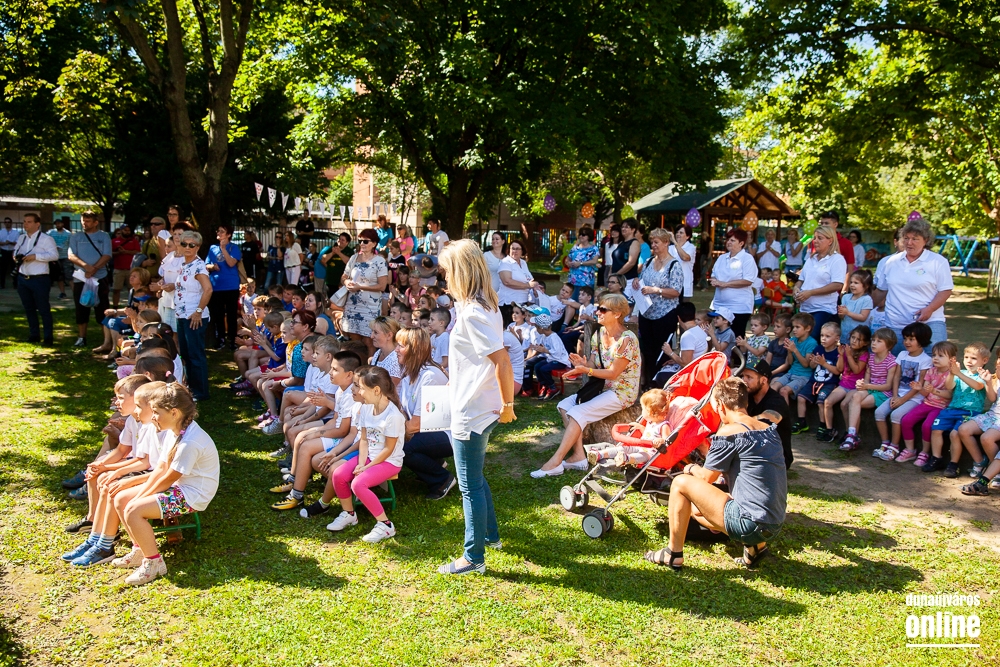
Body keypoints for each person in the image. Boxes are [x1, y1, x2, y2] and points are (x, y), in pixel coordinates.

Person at [644, 377, 787, 570]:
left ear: (720, 405)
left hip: (750, 523)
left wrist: (689, 468)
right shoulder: (768, 429)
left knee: (680, 483)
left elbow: (706, 477)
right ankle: (756, 547)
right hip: (775, 522)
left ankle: (673, 554)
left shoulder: (729, 432)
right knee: (697, 510)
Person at [436, 239, 516, 575]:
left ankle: (473, 558)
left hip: (473, 408)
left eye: (447, 271)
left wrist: (508, 404)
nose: (444, 278)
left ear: (460, 271)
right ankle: (491, 536)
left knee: (469, 485)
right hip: (475, 402)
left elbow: (502, 361)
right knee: (475, 477)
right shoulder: (484, 305)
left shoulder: (473, 313)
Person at [118, 383, 220, 585]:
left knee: (133, 510)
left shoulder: (190, 442)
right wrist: (139, 495)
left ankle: (153, 563)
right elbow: (161, 469)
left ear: (174, 412)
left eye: (156, 412)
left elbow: (168, 478)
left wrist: (139, 499)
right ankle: (140, 549)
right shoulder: (174, 432)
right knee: (122, 499)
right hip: (179, 487)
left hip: (193, 495)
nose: (153, 417)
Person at [532, 293, 641, 477]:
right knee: (564, 406)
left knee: (577, 412)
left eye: (603, 309)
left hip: (622, 392)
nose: (597, 312)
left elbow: (613, 373)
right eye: (598, 308)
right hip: (602, 388)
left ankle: (555, 462)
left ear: (617, 314)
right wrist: (582, 364)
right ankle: (578, 456)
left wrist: (586, 370)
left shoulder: (627, 340)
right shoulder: (599, 334)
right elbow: (593, 364)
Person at [872, 216, 952, 355]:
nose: (909, 243)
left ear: (926, 240)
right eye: (906, 238)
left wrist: (930, 309)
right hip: (896, 324)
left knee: (935, 361)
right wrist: (863, 308)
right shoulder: (890, 262)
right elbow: (880, 291)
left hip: (930, 323)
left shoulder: (938, 262)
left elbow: (945, 290)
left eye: (915, 239)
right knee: (897, 365)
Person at [397, 327, 455, 499]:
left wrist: (394, 433)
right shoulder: (410, 374)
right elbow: (403, 412)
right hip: (428, 430)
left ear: (413, 348)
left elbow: (415, 425)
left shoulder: (430, 376)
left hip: (447, 434)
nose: (396, 350)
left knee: (403, 448)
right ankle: (434, 464)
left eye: (400, 346)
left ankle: (442, 479)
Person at [923, 343, 990, 476]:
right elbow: (949, 386)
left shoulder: (983, 375)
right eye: (966, 357)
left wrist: (958, 373)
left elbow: (977, 386)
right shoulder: (961, 373)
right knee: (936, 429)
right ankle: (936, 458)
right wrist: (952, 373)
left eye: (973, 358)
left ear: (984, 360)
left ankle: (953, 464)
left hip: (970, 412)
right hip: (951, 409)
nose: (969, 361)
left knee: (955, 434)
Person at [873, 322, 931, 462]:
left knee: (896, 415)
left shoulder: (926, 360)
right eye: (905, 339)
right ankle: (885, 443)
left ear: (922, 340)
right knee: (879, 412)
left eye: (911, 339)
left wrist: (902, 400)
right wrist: (894, 396)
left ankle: (894, 447)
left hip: (914, 398)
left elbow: (919, 385)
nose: (906, 342)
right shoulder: (902, 354)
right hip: (898, 394)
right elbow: (897, 377)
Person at [635, 227, 684, 389]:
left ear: (666, 242)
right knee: (646, 349)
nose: (653, 245)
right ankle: (647, 382)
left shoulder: (674, 265)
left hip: (665, 314)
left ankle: (660, 384)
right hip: (647, 313)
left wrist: (656, 290)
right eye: (652, 242)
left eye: (656, 242)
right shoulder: (649, 261)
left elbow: (676, 291)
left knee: (661, 351)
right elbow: (643, 281)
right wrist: (637, 282)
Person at [896, 340, 955, 465]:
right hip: (927, 403)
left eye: (940, 356)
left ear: (952, 359)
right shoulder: (931, 371)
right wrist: (919, 389)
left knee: (927, 426)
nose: (935, 358)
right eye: (934, 355)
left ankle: (925, 452)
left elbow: (950, 395)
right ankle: (910, 450)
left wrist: (934, 390)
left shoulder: (952, 374)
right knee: (906, 420)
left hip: (941, 407)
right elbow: (926, 393)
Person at [173, 231, 214, 401]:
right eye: (184, 244)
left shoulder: (198, 266)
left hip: (194, 316)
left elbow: (208, 289)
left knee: (195, 354)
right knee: (186, 353)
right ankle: (191, 387)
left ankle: (200, 392)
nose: (187, 247)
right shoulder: (184, 264)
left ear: (198, 247)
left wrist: (198, 311)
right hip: (182, 315)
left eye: (192, 245)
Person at [842, 328, 898, 452]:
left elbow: (888, 386)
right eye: (873, 340)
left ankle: (852, 436)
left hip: (882, 393)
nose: (874, 343)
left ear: (888, 345)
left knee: (854, 403)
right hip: (870, 389)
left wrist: (867, 386)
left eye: (879, 341)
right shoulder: (871, 358)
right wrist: (862, 384)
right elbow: (867, 379)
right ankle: (852, 434)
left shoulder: (892, 361)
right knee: (855, 397)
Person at [587, 388, 670, 467]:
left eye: (643, 409)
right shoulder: (650, 422)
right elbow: (649, 434)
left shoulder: (664, 426)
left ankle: (626, 458)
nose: (642, 411)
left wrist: (660, 440)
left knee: (642, 456)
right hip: (640, 447)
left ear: (650, 413)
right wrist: (640, 427)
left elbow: (667, 441)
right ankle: (599, 454)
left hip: (650, 453)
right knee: (622, 448)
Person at [341, 229, 389, 357]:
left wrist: (360, 287)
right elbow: (344, 276)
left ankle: (369, 365)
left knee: (369, 340)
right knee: (355, 340)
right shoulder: (353, 258)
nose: (362, 243)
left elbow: (382, 286)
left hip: (370, 307)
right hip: (352, 304)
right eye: (360, 241)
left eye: (365, 241)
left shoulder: (379, 261)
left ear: (374, 243)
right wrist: (346, 282)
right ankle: (356, 364)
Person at [793, 225, 847, 341]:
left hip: (823, 309)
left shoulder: (837, 259)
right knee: (801, 340)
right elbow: (801, 280)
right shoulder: (810, 259)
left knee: (812, 340)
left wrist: (811, 292)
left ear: (830, 241)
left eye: (820, 238)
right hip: (805, 308)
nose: (815, 241)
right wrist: (796, 288)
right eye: (815, 238)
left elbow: (837, 285)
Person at [68, 211, 113, 347]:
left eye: (87, 221)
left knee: (102, 308)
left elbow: (107, 255)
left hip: (100, 277)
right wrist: (86, 267)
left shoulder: (104, 236)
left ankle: (106, 340)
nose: (84, 223)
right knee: (81, 307)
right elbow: (71, 255)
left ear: (95, 222)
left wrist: (94, 269)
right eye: (83, 221)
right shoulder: (75, 236)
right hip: (81, 278)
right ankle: (81, 337)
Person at [14, 213, 58, 344]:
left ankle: (48, 337)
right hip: (23, 277)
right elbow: (15, 252)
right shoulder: (21, 238)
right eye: (24, 221)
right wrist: (16, 257)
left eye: (29, 222)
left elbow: (54, 255)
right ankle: (34, 334)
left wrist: (35, 256)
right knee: (28, 308)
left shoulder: (46, 239)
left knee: (43, 308)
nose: (25, 224)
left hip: (39, 278)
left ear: (37, 224)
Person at [793, 321, 842, 440]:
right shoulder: (818, 349)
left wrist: (823, 363)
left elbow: (837, 371)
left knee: (821, 402)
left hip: (829, 383)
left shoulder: (838, 353)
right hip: (814, 381)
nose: (823, 338)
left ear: (837, 338)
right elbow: (811, 366)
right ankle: (801, 422)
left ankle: (822, 425)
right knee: (800, 397)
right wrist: (814, 362)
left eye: (827, 336)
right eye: (822, 335)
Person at [743, 360, 793, 468]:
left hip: (777, 457)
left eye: (749, 377)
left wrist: (737, 422)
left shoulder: (777, 401)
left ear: (763, 380)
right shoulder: (747, 397)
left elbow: (766, 422)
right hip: (755, 450)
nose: (744, 381)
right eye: (743, 376)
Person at [708, 228, 758, 338]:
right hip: (720, 304)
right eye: (728, 240)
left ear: (741, 243)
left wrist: (725, 284)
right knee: (720, 337)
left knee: (736, 337)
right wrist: (714, 281)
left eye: (732, 240)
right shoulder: (721, 258)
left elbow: (748, 280)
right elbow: (713, 275)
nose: (729, 242)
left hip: (739, 306)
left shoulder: (747, 259)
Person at [206, 223, 242, 350]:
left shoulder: (234, 247)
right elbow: (206, 264)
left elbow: (231, 263)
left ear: (228, 235)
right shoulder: (212, 248)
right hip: (216, 286)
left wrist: (223, 249)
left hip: (231, 286)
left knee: (232, 314)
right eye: (218, 231)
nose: (219, 233)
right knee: (218, 314)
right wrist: (212, 267)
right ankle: (220, 338)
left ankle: (232, 339)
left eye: (222, 231)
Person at [497, 239, 538, 325]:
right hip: (509, 305)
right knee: (510, 328)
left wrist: (536, 285)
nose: (515, 251)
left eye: (517, 249)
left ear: (522, 251)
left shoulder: (523, 263)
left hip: (523, 303)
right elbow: (507, 281)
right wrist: (528, 285)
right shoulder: (505, 262)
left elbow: (529, 279)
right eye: (513, 248)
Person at [838, 270, 873, 344]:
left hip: (858, 338)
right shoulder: (845, 297)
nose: (852, 285)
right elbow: (842, 317)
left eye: (856, 283)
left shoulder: (867, 299)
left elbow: (863, 317)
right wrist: (841, 313)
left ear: (866, 286)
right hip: (845, 334)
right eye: (851, 282)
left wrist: (847, 313)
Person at [110, 223, 140, 308]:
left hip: (131, 269)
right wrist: (119, 253)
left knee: (132, 289)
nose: (127, 232)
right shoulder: (114, 241)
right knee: (116, 290)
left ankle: (132, 306)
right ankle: (115, 307)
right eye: (125, 230)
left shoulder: (134, 241)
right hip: (118, 269)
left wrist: (126, 252)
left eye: (128, 230)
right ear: (121, 230)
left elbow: (138, 252)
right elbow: (110, 253)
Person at [566, 227, 599, 299]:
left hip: (586, 280)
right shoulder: (575, 248)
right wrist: (568, 263)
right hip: (573, 279)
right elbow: (567, 259)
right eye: (580, 234)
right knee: (573, 300)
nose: (581, 236)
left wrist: (580, 263)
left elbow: (594, 261)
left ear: (588, 236)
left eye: (583, 235)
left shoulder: (594, 248)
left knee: (585, 300)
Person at [668, 225, 696, 300]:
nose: (678, 234)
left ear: (687, 236)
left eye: (681, 233)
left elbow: (685, 257)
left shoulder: (691, 247)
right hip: (670, 286)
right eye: (677, 232)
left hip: (685, 285)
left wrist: (675, 242)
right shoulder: (670, 248)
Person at [48, 216, 73, 298]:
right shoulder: (51, 233)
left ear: (62, 224)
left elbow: (72, 245)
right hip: (55, 257)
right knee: (59, 276)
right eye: (56, 224)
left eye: (59, 223)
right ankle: (62, 293)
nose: (58, 225)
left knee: (69, 276)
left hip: (65, 256)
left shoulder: (68, 234)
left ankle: (75, 293)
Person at [0, 217, 20, 289]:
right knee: (3, 269)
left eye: (8, 222)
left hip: (12, 252)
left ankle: (15, 284)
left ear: (11, 223)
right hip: (4, 251)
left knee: (14, 268)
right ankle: (2, 284)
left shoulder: (16, 232)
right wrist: (5, 243)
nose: (7, 224)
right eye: (6, 222)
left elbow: (18, 243)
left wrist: (10, 242)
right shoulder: (1, 232)